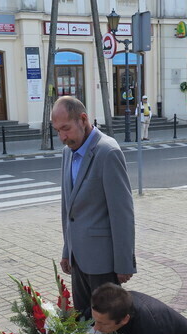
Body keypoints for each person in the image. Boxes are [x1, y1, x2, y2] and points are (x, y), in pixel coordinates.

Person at [51, 96, 135, 317]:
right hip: (78, 260)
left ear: (83, 119)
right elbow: (67, 207)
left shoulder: (108, 152)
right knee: (83, 327)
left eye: (66, 129)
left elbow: (122, 213)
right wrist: (67, 249)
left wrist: (124, 262)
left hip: (104, 263)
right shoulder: (67, 152)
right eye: (57, 130)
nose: (62, 137)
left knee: (108, 329)